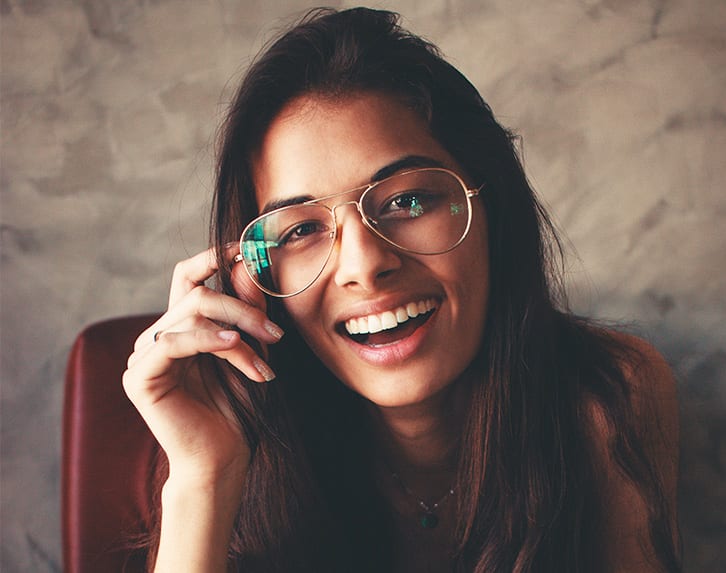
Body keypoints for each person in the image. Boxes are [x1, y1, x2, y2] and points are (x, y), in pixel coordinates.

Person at [123, 7, 680, 572]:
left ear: (492, 208)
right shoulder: (222, 435)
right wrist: (204, 479)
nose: (363, 266)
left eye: (408, 201)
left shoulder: (607, 394)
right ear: (254, 276)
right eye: (300, 229)